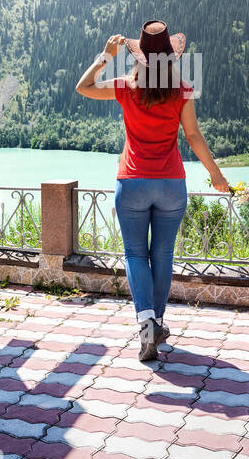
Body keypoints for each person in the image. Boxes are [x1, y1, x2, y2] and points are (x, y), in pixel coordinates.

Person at [75, 19, 229, 361]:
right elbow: (193, 137)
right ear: (171, 60)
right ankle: (157, 322)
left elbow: (83, 87)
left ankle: (146, 323)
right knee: (162, 255)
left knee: (134, 255)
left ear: (137, 59)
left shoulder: (126, 87)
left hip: (131, 183)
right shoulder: (183, 90)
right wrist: (216, 175)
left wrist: (105, 55)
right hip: (171, 184)